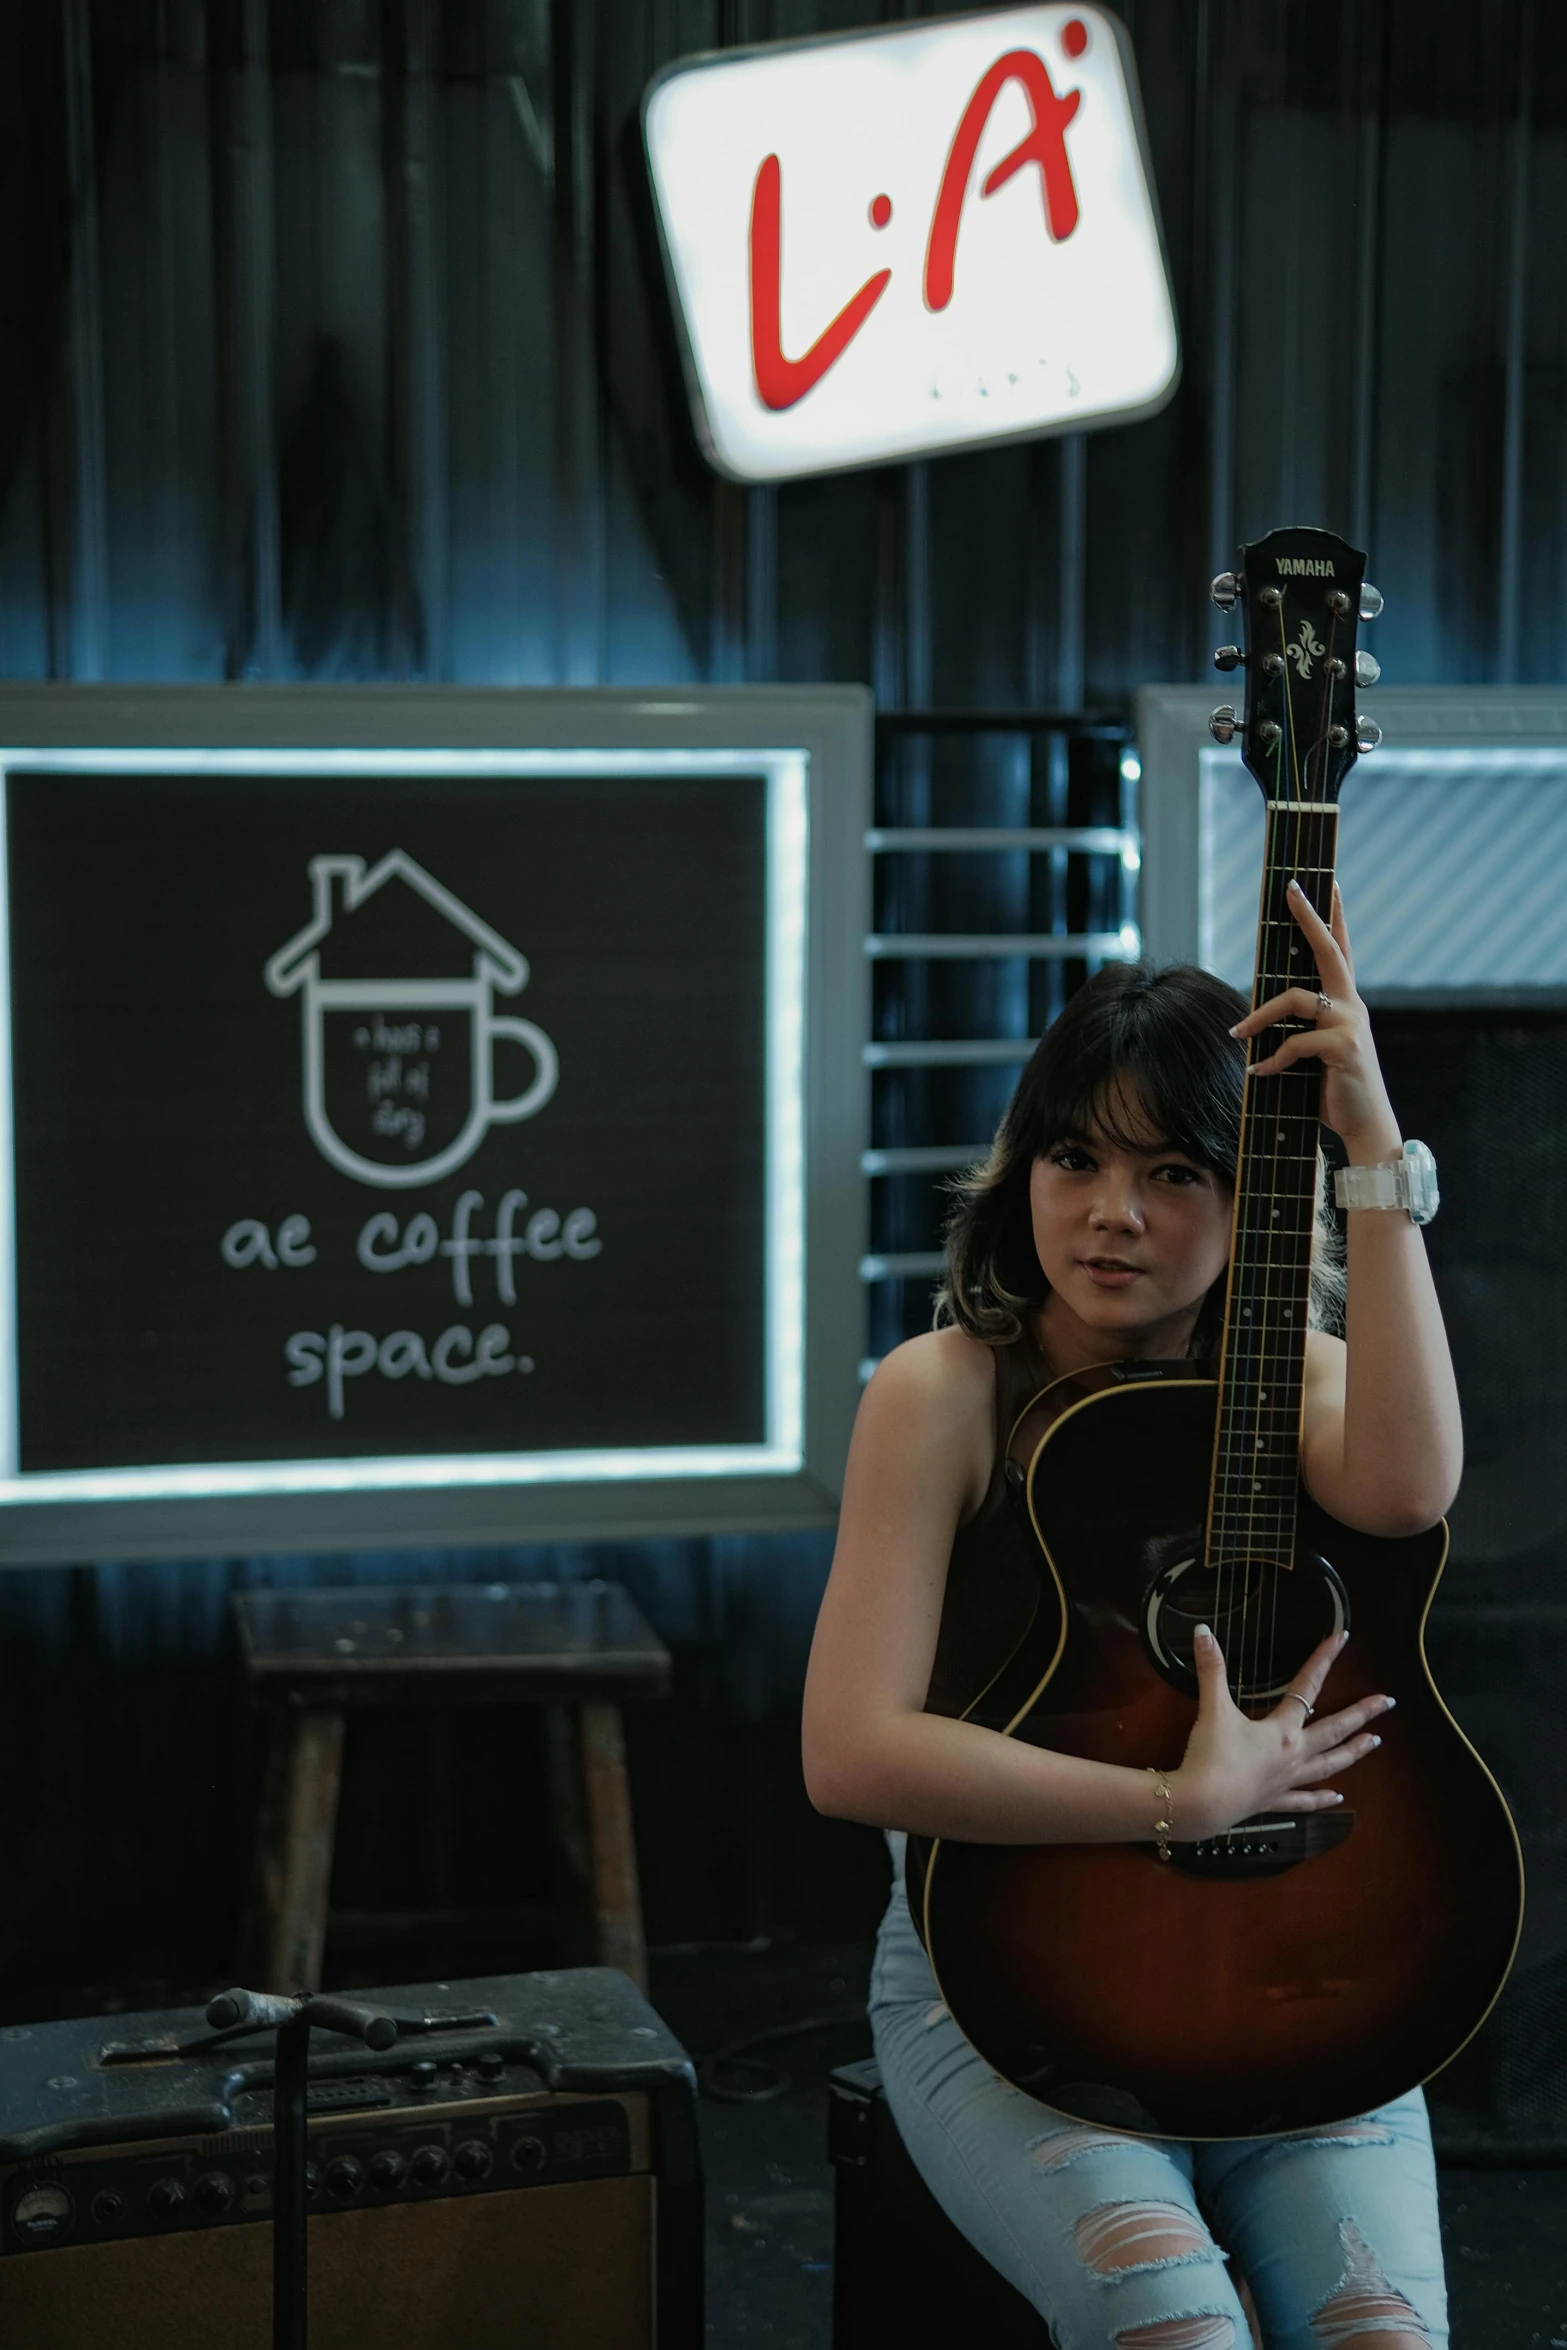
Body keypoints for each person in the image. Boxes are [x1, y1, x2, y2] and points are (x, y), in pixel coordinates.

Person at [803, 882, 1459, 2350]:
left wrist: (1369, 1140)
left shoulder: (1290, 1373)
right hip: (1009, 2000)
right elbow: (847, 1753)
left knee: (1384, 2338)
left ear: (1252, 1192)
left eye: (1174, 1170)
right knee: (1177, 2329)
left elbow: (1411, 1491)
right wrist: (1171, 1795)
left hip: (1309, 1984)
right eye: (1072, 1156)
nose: (1110, 1213)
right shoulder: (941, 1391)